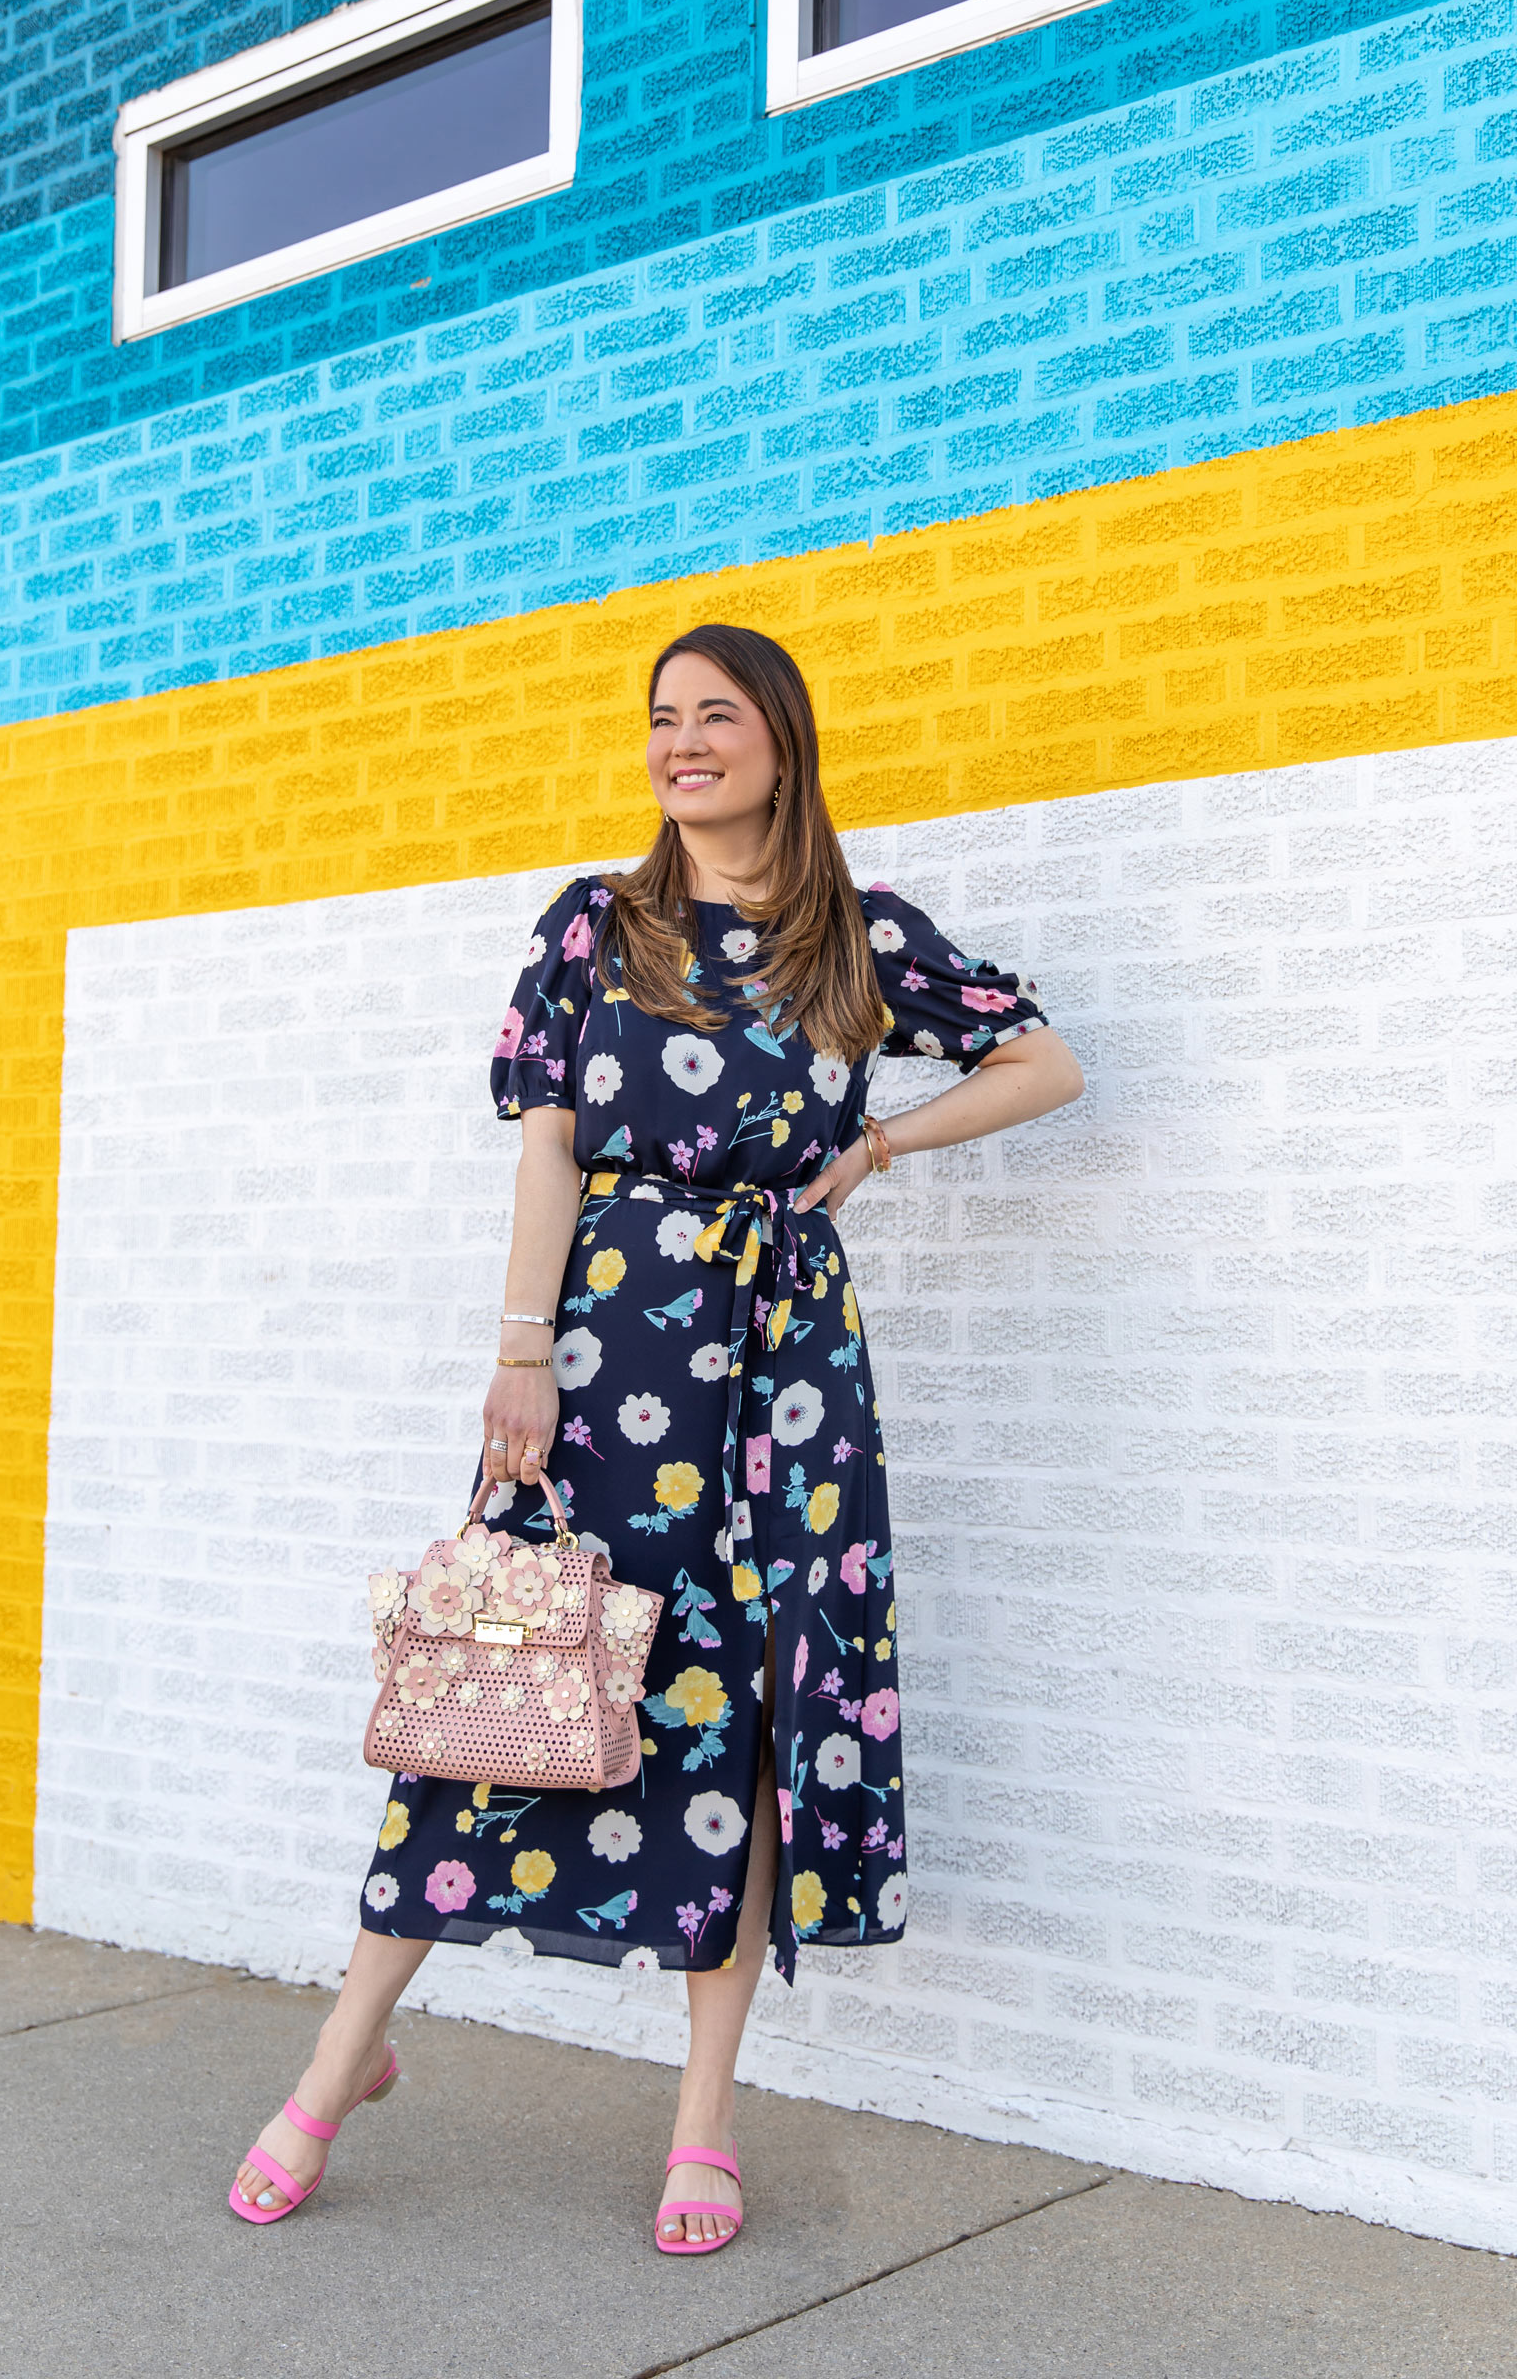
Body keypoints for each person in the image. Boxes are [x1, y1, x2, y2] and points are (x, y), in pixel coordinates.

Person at [231, 623, 1084, 2247]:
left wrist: (880, 1149)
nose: (683, 743)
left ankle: (705, 2114)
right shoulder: (595, 928)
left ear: (781, 741)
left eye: (717, 717)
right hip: (609, 1343)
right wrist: (520, 1352)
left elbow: (1044, 1062)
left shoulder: (860, 941)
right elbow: (548, 1151)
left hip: (786, 1363)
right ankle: (345, 2055)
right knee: (507, 1668)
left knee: (739, 1709)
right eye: (661, 720)